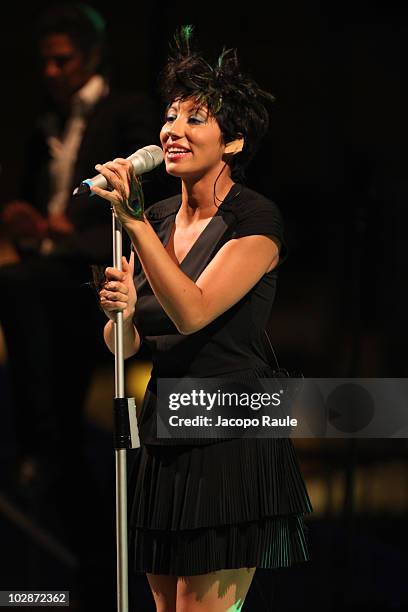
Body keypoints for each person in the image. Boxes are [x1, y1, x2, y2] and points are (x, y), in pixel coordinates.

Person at [95, 27, 312, 611]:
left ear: (234, 142)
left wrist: (135, 224)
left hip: (231, 428)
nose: (174, 131)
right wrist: (119, 316)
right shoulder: (159, 215)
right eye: (171, 116)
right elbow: (129, 341)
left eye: (196, 119)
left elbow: (191, 311)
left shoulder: (255, 219)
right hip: (165, 425)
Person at [0, 3, 160, 609]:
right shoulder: (44, 118)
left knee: (21, 292)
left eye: (62, 59)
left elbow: (142, 210)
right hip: (53, 279)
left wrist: (66, 237)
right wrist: (28, 225)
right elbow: (31, 207)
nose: (50, 70)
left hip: (96, 274)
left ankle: (39, 445)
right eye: (44, 59)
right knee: (65, 433)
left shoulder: (128, 114)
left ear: (92, 56)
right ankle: (85, 558)